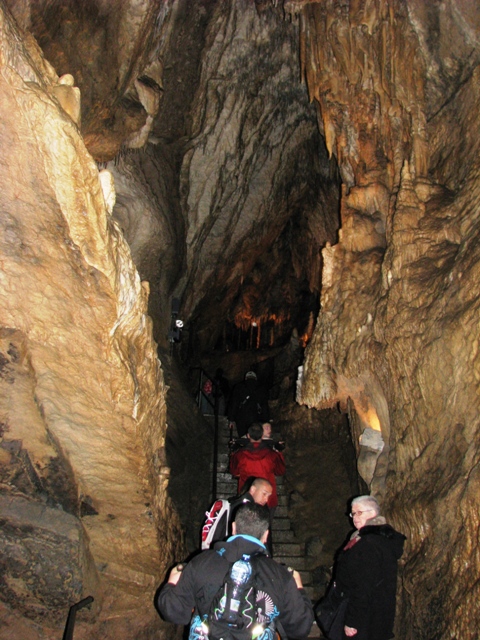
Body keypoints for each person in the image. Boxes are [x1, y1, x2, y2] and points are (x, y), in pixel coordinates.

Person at [156, 503, 314, 640]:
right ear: (266, 535)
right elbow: (300, 628)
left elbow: (174, 612)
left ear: (233, 528)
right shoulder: (280, 576)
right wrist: (299, 589)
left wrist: (171, 581)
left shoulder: (201, 562)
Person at [324, 495, 406, 640]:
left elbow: (363, 585)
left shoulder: (368, 544)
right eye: (353, 513)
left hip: (364, 619)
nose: (354, 517)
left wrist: (352, 621)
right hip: (375, 615)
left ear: (373, 513)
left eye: (359, 512)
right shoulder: (379, 540)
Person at [201, 478, 273, 549]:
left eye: (268, 496)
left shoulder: (236, 503)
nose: (266, 499)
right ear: (253, 489)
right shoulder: (246, 509)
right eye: (264, 494)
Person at [229, 423, 285, 511]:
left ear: (248, 435)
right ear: (262, 435)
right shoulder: (272, 455)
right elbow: (280, 471)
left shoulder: (240, 455)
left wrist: (233, 452)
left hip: (247, 494)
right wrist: (279, 452)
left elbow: (234, 471)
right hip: (267, 498)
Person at [228, 371, 270, 438]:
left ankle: (244, 447)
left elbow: (234, 403)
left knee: (243, 437)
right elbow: (264, 406)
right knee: (254, 437)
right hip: (256, 417)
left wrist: (231, 419)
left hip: (242, 416)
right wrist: (266, 420)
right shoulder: (261, 389)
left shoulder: (239, 387)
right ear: (255, 378)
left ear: (246, 378)